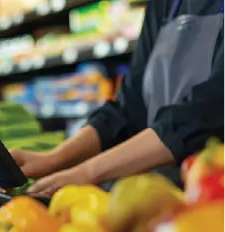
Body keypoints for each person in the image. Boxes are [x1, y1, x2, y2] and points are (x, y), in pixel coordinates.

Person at [13, 0, 225, 196]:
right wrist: (54, 159)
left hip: (212, 194)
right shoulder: (165, 4)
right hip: (156, 195)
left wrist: (87, 173)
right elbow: (128, 108)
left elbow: (207, 112)